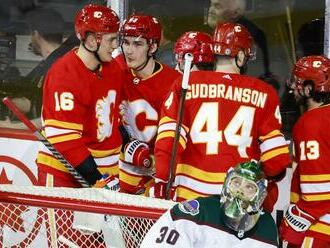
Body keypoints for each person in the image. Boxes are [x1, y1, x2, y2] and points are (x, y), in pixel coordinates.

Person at [153, 23, 290, 213]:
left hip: (190, 201)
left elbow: (168, 144)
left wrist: (161, 181)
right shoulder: (264, 92)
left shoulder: (185, 84)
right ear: (241, 56)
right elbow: (277, 161)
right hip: (237, 203)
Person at [36, 4, 123, 189]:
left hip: (103, 173)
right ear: (92, 41)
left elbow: (112, 120)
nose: (116, 46)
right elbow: (65, 140)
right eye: (111, 40)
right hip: (64, 174)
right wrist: (96, 179)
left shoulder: (113, 69)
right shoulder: (64, 74)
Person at [141, 161, 278, 247]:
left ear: (260, 197)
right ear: (226, 185)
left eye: (249, 187)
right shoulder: (196, 213)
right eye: (236, 183)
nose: (239, 192)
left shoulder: (267, 228)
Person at [117, 14, 180, 195]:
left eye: (137, 44)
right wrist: (124, 142)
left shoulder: (173, 83)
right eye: (126, 42)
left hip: (158, 172)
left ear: (152, 47)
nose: (129, 51)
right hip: (124, 168)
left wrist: (153, 162)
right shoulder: (117, 69)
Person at [279, 55, 330, 247]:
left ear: (309, 88)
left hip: (321, 229)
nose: (293, 88)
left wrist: (293, 222)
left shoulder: (310, 122)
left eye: (298, 83)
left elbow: (319, 192)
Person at [0, 9, 79, 129]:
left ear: (36, 34)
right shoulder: (48, 65)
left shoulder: (61, 67)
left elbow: (58, 117)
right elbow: (37, 104)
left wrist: (12, 127)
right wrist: (10, 102)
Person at [206, 0, 274, 81]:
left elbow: (254, 79)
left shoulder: (250, 38)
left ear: (235, 13)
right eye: (211, 5)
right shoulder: (217, 33)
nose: (211, 10)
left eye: (217, 6)